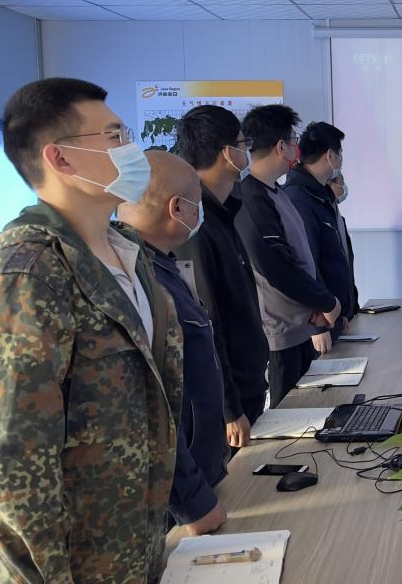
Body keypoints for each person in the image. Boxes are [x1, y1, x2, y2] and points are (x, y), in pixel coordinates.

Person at [0, 78, 182, 582]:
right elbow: (7, 474)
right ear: (61, 159)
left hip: (125, 552)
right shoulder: (23, 278)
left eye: (127, 134)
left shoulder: (128, 254)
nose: (131, 149)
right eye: (114, 137)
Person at [118, 151, 228, 536]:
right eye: (197, 203)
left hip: (199, 476)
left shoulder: (160, 265)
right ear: (177, 208)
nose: (200, 213)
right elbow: (152, 407)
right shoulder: (137, 281)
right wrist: (192, 501)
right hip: (177, 501)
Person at [172, 105, 269, 447]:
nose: (248, 151)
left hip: (248, 384)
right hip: (228, 401)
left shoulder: (223, 212)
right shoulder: (196, 225)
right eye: (244, 144)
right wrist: (229, 407)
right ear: (227, 153)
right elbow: (206, 320)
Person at [234, 104, 340, 406]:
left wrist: (320, 305)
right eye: (294, 140)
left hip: (301, 325)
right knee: (287, 416)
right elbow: (278, 266)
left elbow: (303, 258)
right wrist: (326, 302)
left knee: (309, 410)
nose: (297, 148)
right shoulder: (251, 197)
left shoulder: (275, 191)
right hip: (280, 334)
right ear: (281, 147)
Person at [284, 121, 357, 334]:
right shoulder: (299, 199)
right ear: (330, 156)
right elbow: (306, 266)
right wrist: (318, 327)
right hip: (321, 321)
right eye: (340, 154)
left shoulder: (322, 196)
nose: (341, 160)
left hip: (335, 315)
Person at [328, 172, 361, 317]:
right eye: (341, 182)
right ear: (330, 184)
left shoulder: (337, 217)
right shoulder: (324, 217)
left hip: (347, 308)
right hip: (333, 310)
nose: (344, 188)